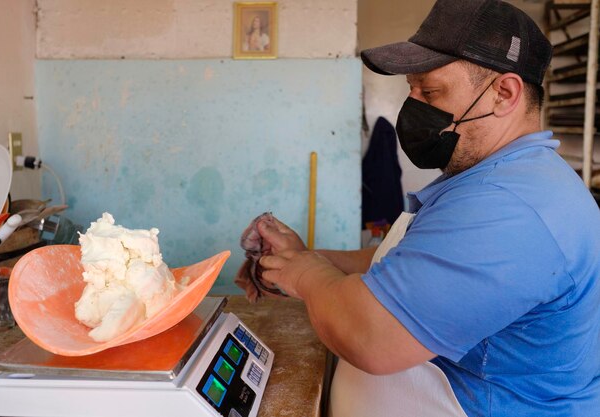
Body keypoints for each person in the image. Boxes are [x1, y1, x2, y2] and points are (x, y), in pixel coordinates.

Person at [247, 0, 600, 416]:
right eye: (411, 90)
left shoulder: (512, 207)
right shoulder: (493, 175)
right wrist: (305, 256)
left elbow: (371, 336)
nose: (413, 107)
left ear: (504, 94)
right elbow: (409, 267)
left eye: (430, 92)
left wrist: (304, 274)